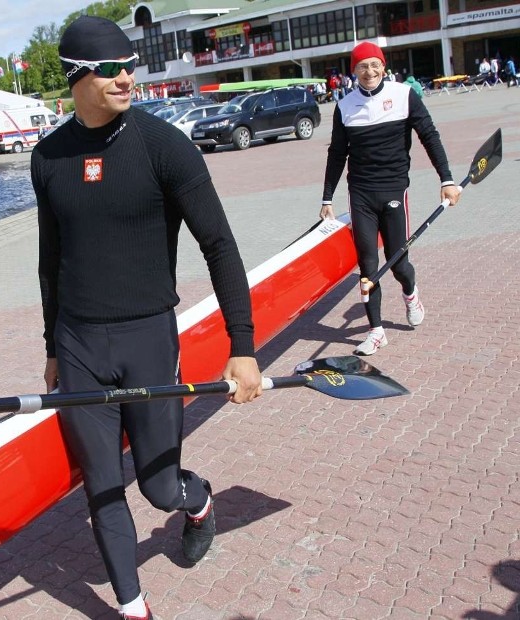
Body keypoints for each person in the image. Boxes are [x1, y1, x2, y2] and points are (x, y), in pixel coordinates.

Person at [31, 15, 262, 620]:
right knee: (103, 487)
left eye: (129, 65)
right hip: (79, 343)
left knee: (158, 487)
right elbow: (50, 261)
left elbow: (220, 244)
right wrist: (52, 345)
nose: (126, 77)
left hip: (148, 338)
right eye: (111, 68)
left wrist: (243, 344)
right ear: (76, 77)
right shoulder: (48, 158)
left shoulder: (165, 147)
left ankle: (199, 500)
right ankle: (134, 608)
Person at [319, 41, 461, 356]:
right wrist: (327, 197)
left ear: (383, 66)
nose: (369, 71)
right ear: (353, 71)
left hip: (394, 188)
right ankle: (376, 331)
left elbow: (429, 135)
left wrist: (447, 178)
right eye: (361, 66)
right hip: (361, 194)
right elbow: (336, 154)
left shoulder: (403, 96)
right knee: (368, 265)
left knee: (397, 263)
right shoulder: (345, 106)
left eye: (374, 65)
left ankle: (410, 294)